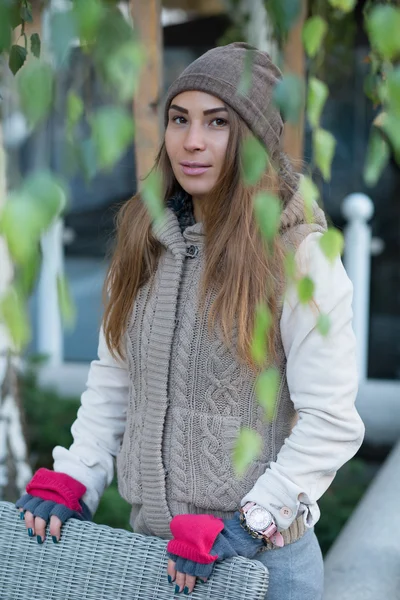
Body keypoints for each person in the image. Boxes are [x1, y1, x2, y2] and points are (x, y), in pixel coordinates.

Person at [16, 43, 365, 600]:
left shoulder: (300, 255)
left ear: (254, 142)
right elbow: (114, 380)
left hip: (262, 571)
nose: (192, 141)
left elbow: (331, 421)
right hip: (154, 561)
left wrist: (246, 526)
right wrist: (76, 476)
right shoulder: (143, 240)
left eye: (217, 123)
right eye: (179, 119)